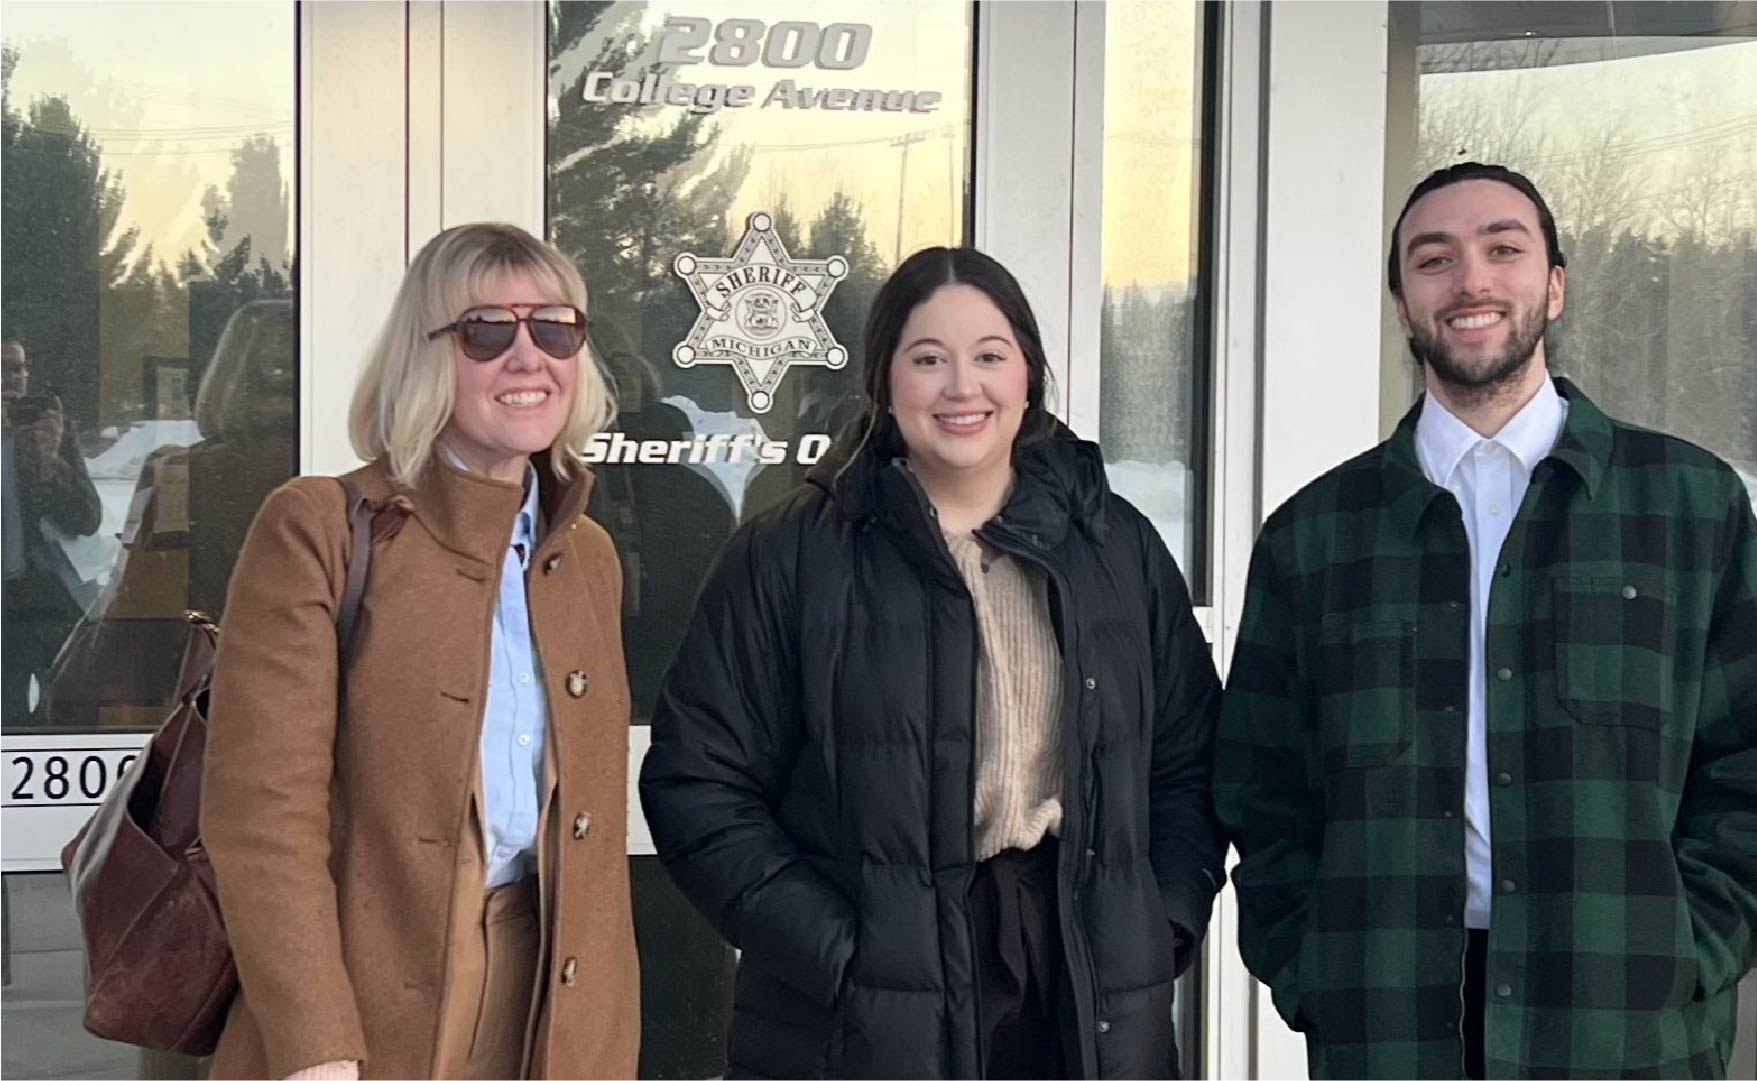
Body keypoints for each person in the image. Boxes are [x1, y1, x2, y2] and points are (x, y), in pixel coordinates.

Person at [1215, 162, 1757, 1080]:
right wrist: (1312, 968)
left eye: (1503, 249)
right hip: (1389, 1022)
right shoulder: (1315, 537)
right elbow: (1262, 787)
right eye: (1434, 259)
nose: (1470, 281)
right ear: (1400, 301)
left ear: (1553, 283)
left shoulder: (1687, 506)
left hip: (1622, 1023)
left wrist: (1688, 951)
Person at [641, 246, 1226, 1079]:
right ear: (884, 382)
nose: (962, 387)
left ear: (1028, 375)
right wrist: (843, 957)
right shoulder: (791, 555)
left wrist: (1157, 919)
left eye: (990, 356)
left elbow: (1191, 758)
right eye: (928, 359)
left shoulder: (1114, 545)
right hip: (863, 1006)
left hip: (1077, 971)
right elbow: (697, 784)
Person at [200, 223, 641, 1079]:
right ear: (425, 354)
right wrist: (315, 1045)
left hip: (551, 990)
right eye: (486, 330)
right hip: (366, 993)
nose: (527, 357)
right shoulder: (320, 527)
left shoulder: (586, 555)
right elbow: (261, 817)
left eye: (554, 328)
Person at [1, 336, 104, 723]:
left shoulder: (51, 431)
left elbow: (88, 518)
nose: (10, 379)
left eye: (18, 368)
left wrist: (50, 462)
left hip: (46, 596)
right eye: (1, 368)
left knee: (65, 706)